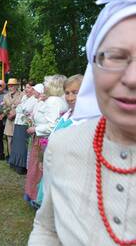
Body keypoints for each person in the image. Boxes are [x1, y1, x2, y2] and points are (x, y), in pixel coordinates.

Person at [29, 0, 136, 245]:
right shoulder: (63, 145)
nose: (132, 78)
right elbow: (47, 228)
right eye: (115, 57)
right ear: (93, 67)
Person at [33, 74, 83, 207]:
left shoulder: (83, 119)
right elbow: (54, 136)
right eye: (67, 93)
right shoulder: (66, 115)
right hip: (54, 166)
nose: (70, 97)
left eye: (75, 93)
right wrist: (44, 158)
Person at [24, 75, 67, 203]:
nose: (45, 86)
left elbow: (52, 125)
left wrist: (35, 129)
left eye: (46, 84)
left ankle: (36, 196)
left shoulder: (54, 101)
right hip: (47, 138)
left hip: (44, 139)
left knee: (39, 168)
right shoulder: (58, 99)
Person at [9, 81, 38, 174]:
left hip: (25, 124)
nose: (26, 89)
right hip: (18, 122)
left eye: (29, 88)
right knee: (16, 144)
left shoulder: (34, 99)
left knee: (22, 146)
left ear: (34, 89)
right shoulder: (25, 97)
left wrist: (19, 108)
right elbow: (19, 109)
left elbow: (25, 109)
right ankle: (15, 163)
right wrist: (18, 108)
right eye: (26, 87)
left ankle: (22, 166)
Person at [3, 78, 23, 159]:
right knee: (9, 140)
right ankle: (11, 158)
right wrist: (7, 113)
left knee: (18, 141)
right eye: (9, 86)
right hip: (9, 121)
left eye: (12, 86)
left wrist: (14, 114)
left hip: (18, 121)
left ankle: (17, 159)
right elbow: (4, 107)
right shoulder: (5, 96)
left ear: (16, 86)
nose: (10, 88)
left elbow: (23, 107)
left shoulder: (22, 95)